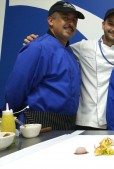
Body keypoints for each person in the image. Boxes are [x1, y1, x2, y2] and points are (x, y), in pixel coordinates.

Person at [23, 8, 114, 130]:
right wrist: (36, 42)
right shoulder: (84, 46)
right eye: (111, 24)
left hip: (112, 121)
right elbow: (57, 48)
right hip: (84, 120)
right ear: (103, 25)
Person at [4, 1, 85, 130]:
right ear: (51, 21)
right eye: (65, 18)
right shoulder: (37, 47)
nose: (71, 24)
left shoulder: (71, 53)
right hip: (39, 121)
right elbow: (16, 89)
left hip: (67, 123)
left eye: (74, 20)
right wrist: (9, 120)